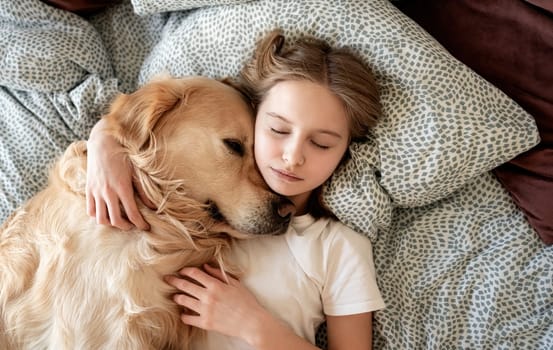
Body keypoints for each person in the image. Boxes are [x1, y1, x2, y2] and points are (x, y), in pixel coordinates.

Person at [86, 29, 384, 350]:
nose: (293, 157)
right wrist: (105, 140)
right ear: (252, 118)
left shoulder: (339, 248)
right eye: (278, 129)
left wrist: (255, 326)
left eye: (321, 143)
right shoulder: (202, 209)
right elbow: (155, 131)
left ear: (345, 151)